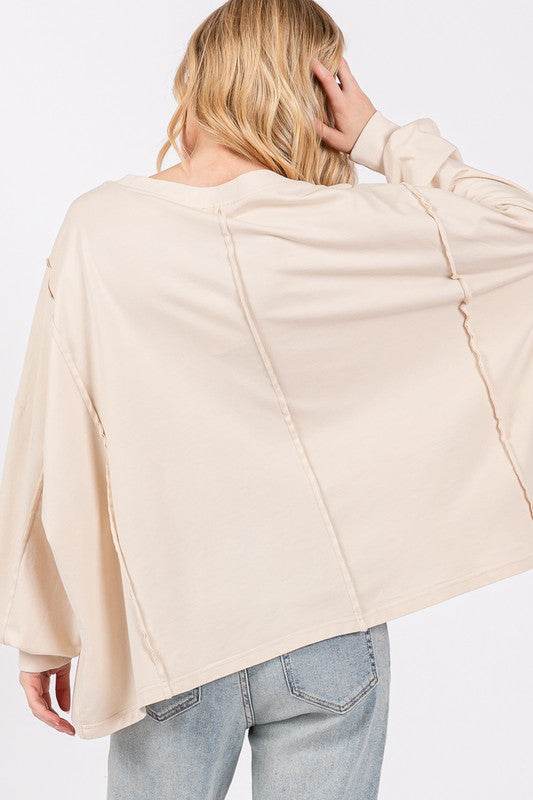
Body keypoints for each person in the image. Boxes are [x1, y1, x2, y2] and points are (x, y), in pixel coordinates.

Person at [1, 0, 532, 797]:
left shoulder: (103, 229)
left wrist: (43, 630)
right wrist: (380, 136)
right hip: (330, 627)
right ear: (314, 94)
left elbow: (52, 434)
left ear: (198, 79)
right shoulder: (345, 227)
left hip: (175, 630)